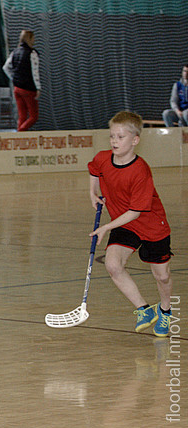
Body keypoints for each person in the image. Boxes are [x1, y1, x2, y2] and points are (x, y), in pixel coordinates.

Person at [88, 111, 174, 337]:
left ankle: (165, 311)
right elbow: (94, 169)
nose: (114, 141)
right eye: (112, 137)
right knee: (113, 265)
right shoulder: (103, 158)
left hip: (151, 225)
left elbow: (135, 212)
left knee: (162, 276)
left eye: (120, 137)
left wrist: (106, 227)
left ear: (135, 140)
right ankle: (144, 310)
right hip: (124, 225)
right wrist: (92, 193)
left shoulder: (140, 170)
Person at [2, 30, 40, 131]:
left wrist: (14, 78)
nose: (34, 40)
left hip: (17, 88)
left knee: (22, 115)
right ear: (30, 39)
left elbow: (5, 67)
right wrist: (38, 88)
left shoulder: (15, 52)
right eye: (33, 38)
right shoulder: (32, 53)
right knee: (33, 116)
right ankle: (20, 132)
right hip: (29, 88)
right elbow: (35, 72)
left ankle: (19, 138)